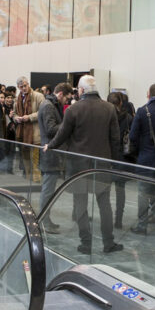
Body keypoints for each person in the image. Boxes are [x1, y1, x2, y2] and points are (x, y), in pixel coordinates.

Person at [44, 75, 123, 255]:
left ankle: (86, 243)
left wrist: (51, 146)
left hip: (78, 166)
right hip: (102, 164)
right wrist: (114, 163)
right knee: (104, 204)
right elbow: (115, 140)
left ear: (80, 90)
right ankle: (108, 242)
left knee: (80, 203)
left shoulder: (73, 109)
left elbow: (62, 134)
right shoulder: (109, 108)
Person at [128, 83, 155, 234]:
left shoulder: (142, 111)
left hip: (145, 159)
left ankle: (142, 225)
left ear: (149, 95)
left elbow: (132, 136)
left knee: (143, 193)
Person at [37, 82, 72, 233]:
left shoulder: (50, 105)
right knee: (48, 190)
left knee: (49, 189)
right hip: (50, 153)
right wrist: (68, 124)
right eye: (67, 98)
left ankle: (46, 219)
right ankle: (43, 221)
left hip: (51, 152)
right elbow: (51, 129)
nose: (67, 102)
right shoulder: (48, 106)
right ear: (60, 94)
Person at [107, 91, 134, 228]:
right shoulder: (128, 118)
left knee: (103, 191)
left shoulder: (105, 117)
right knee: (120, 190)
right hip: (122, 158)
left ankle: (106, 217)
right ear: (121, 103)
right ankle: (118, 219)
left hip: (107, 156)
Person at [12, 77, 45, 183]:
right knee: (25, 158)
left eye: (25, 85)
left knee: (35, 159)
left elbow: (43, 111)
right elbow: (14, 113)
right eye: (21, 87)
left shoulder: (38, 96)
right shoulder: (17, 99)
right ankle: (28, 178)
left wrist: (29, 117)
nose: (24, 88)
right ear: (18, 87)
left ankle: (36, 180)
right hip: (22, 133)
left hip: (35, 133)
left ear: (28, 84)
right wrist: (16, 118)